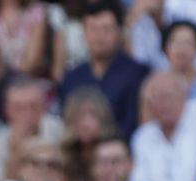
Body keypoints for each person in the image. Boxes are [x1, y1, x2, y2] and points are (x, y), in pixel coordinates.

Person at [59, 0, 148, 139]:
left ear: (119, 32)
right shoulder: (72, 77)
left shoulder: (137, 73)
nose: (99, 36)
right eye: (93, 29)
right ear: (84, 33)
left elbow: (134, 122)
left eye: (106, 29)